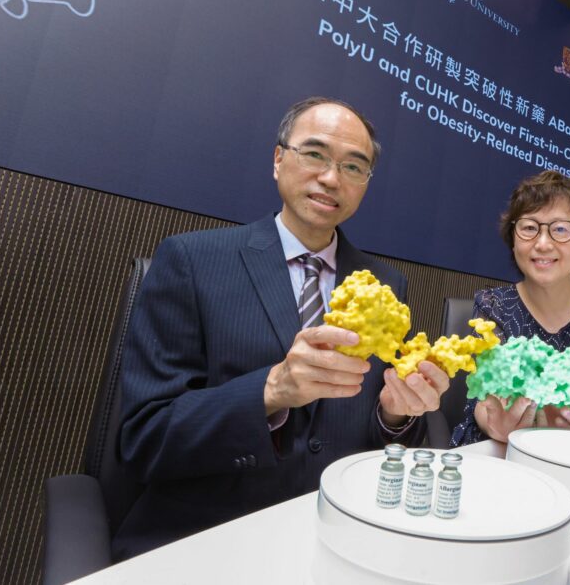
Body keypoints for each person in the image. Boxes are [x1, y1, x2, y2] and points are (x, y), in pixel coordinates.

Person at [114, 97, 449, 559]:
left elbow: (377, 440)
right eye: (315, 154)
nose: (331, 178)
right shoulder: (192, 261)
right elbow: (143, 438)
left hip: (339, 532)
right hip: (214, 535)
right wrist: (272, 390)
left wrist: (394, 414)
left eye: (354, 167)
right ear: (278, 159)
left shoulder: (386, 285)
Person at [451, 170, 570, 446]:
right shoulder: (492, 305)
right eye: (530, 228)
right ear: (514, 239)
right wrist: (497, 424)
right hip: (507, 452)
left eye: (560, 229)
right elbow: (483, 400)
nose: (542, 244)